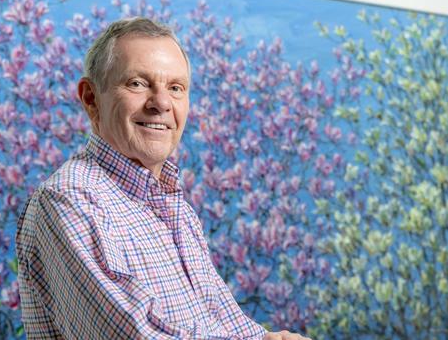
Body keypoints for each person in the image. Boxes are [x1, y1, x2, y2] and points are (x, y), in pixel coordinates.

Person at [16, 17, 311, 340]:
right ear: (90, 98)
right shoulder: (69, 201)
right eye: (138, 83)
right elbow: (131, 335)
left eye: (175, 88)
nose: (161, 104)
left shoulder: (173, 205)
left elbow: (223, 322)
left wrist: (269, 338)